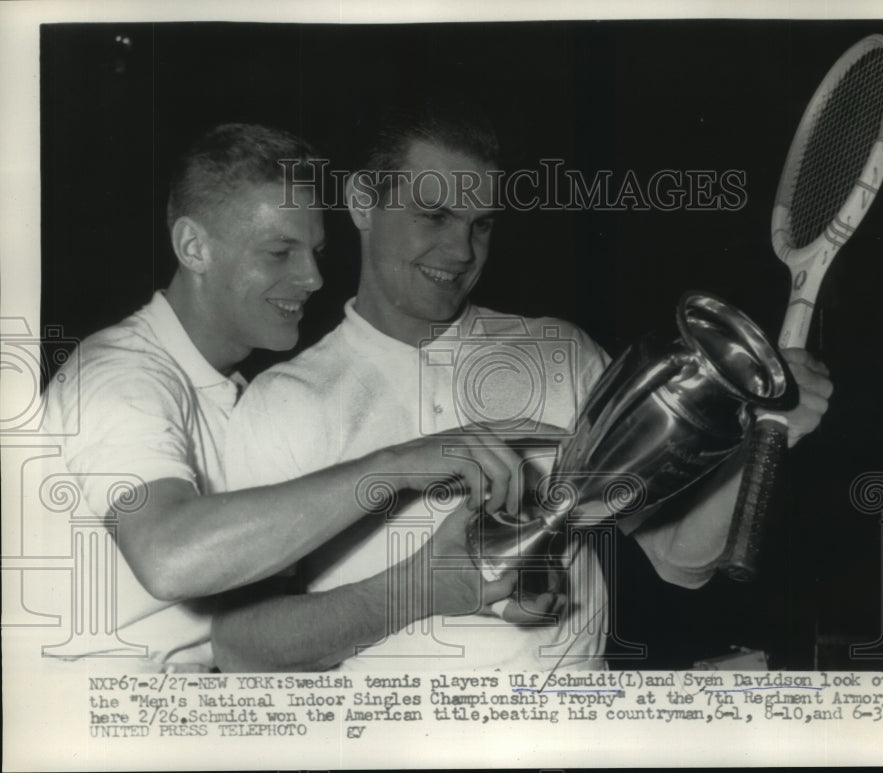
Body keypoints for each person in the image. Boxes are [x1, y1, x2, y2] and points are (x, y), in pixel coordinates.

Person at [215, 100, 833, 672]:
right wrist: (418, 590)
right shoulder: (283, 401)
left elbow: (679, 562)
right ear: (361, 203)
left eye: (482, 224)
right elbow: (241, 646)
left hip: (573, 732)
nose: (460, 251)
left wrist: (761, 436)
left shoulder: (559, 353)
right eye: (435, 215)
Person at [40, 122, 525, 672]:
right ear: (194, 247)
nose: (314, 277)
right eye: (279, 252)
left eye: (315, 251)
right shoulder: (121, 377)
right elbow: (168, 558)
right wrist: (397, 466)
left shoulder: (238, 393)